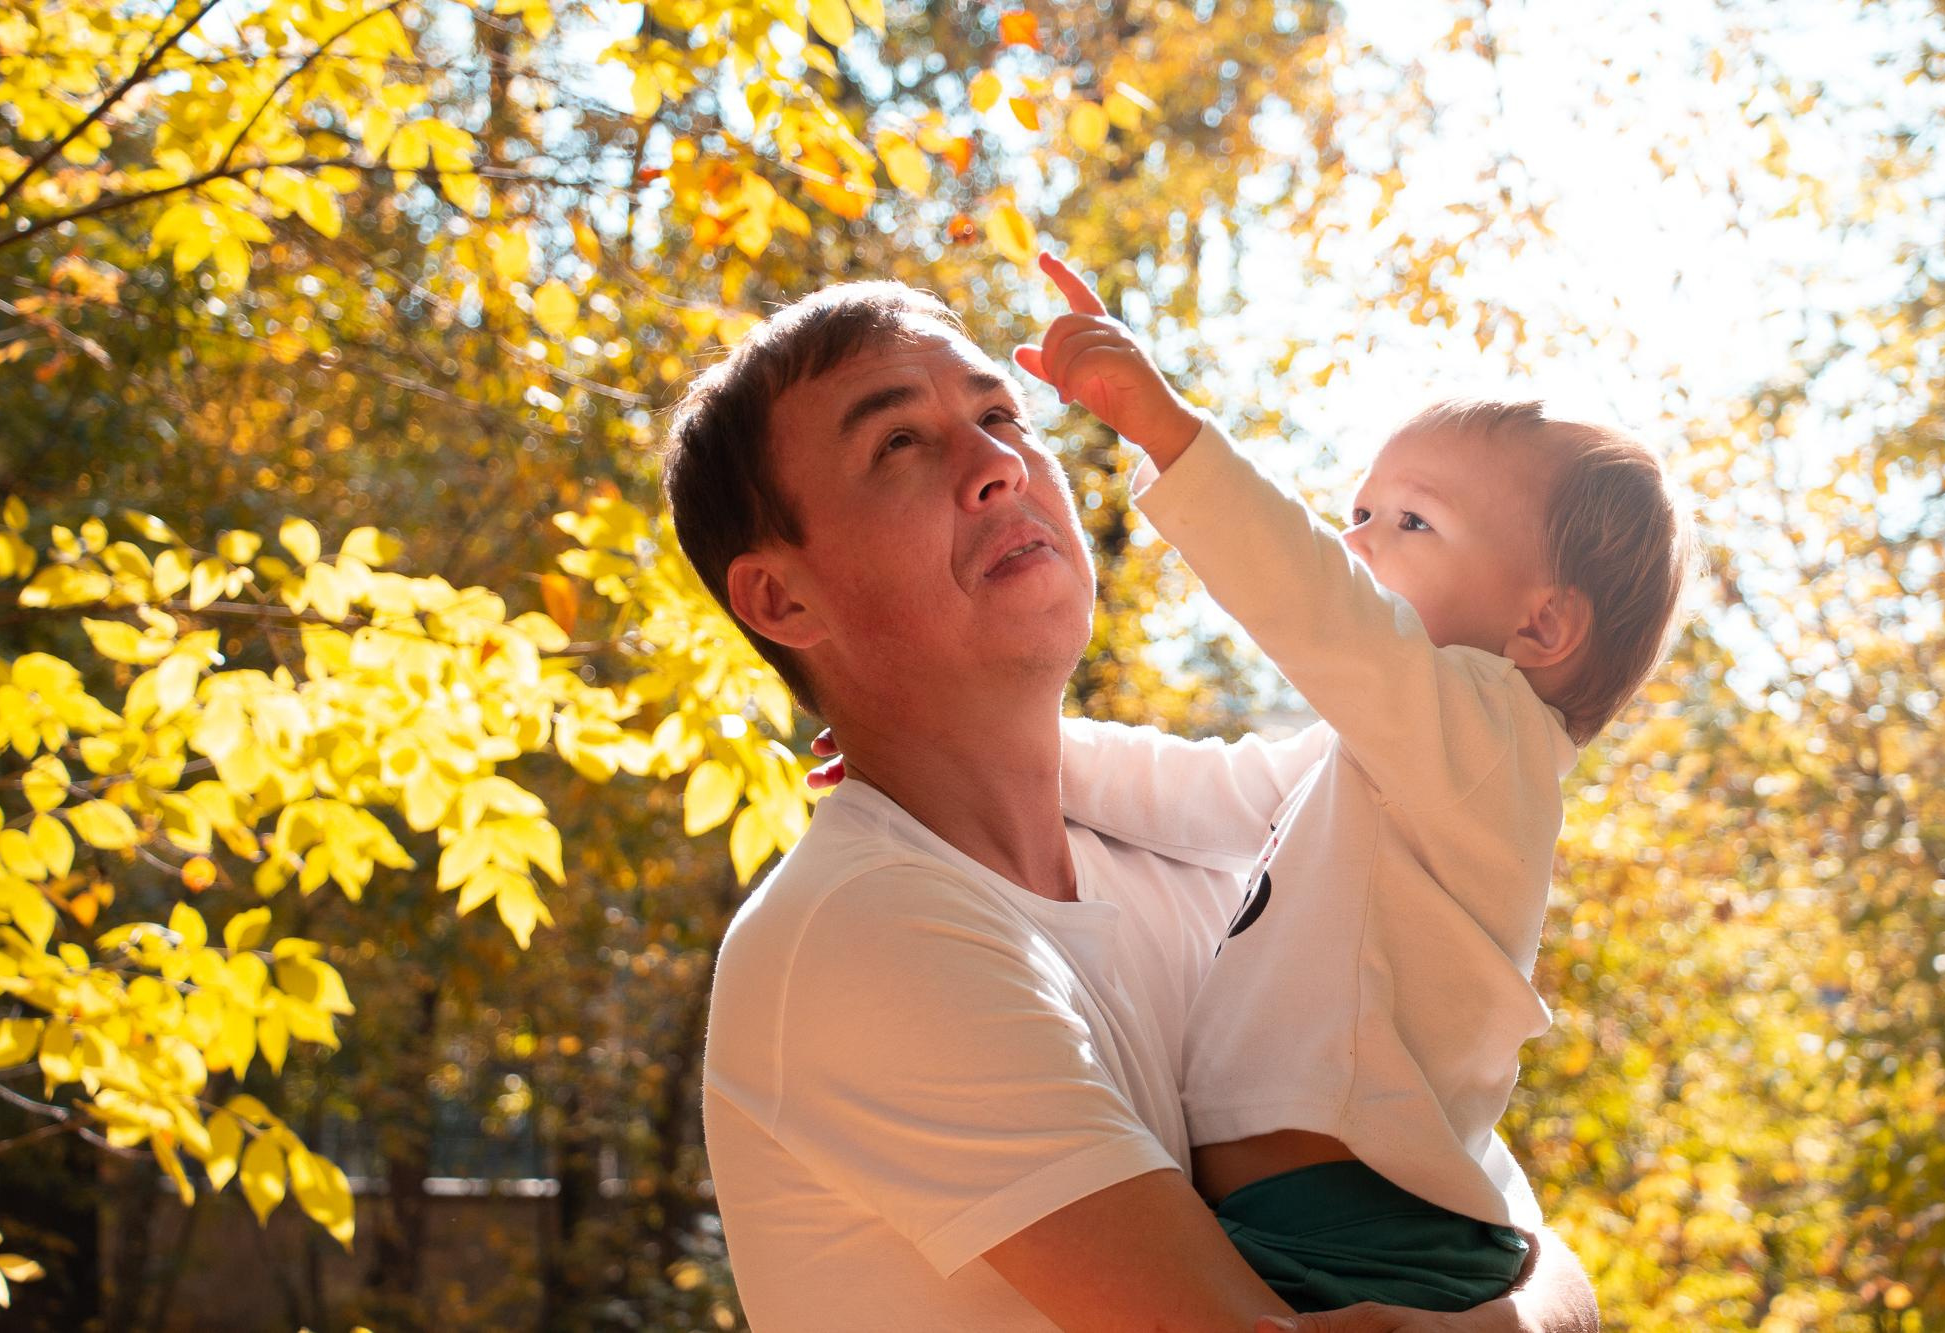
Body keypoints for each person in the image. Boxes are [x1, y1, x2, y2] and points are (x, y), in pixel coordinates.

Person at [670, 277, 1602, 1331]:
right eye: (897, 444)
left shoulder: (1217, 872)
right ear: (780, 598)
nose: (996, 466)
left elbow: (1462, 1198)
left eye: (999, 414)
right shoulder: (861, 933)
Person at [1006, 253, 1691, 1311]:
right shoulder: (1388, 757)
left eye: (1408, 522)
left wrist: (1170, 435)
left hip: (1356, 1230)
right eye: (1357, 512)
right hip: (1304, 1217)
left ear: (1539, 625)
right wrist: (996, 742)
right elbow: (1198, 790)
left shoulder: (1487, 739)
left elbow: (1317, 607)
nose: (1355, 540)